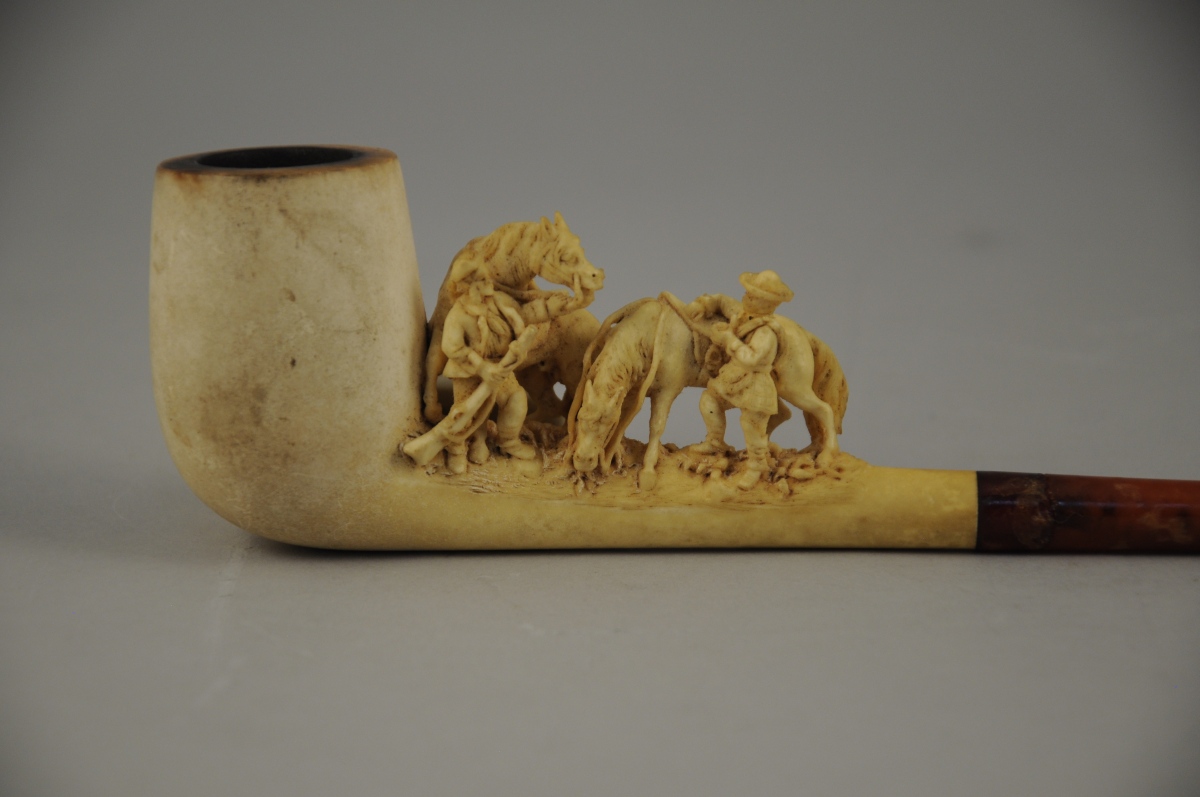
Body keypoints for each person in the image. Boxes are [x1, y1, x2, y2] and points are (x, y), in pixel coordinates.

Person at [692, 270, 795, 489]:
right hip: (734, 377)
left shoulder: (766, 333)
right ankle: (715, 441)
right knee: (710, 400)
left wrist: (729, 339)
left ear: (767, 304)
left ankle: (756, 467)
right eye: (748, 293)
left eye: (753, 296)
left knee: (752, 426)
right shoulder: (743, 316)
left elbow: (752, 359)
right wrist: (713, 314)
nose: (745, 297)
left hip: (756, 383)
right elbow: (724, 304)